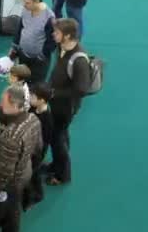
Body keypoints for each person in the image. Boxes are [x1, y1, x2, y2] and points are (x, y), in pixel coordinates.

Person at [0, 84, 41, 232]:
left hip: (8, 183)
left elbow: (4, 172)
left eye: (4, 101)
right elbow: (38, 148)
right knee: (14, 208)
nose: (0, 104)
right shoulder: (33, 118)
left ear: (16, 105)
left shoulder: (10, 137)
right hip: (25, 172)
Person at [46, 18, 91, 186]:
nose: (53, 34)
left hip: (65, 107)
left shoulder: (79, 61)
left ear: (67, 36)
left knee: (58, 139)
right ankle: (56, 165)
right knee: (60, 136)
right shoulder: (62, 47)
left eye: (57, 33)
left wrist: (54, 93)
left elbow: (81, 90)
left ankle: (63, 174)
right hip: (56, 103)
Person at [9, 0, 56, 83]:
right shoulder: (26, 10)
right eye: (24, 2)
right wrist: (14, 46)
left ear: (37, 1)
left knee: (35, 87)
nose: (24, 5)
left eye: (27, 3)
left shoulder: (49, 17)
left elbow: (52, 41)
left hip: (39, 61)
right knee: (21, 82)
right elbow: (20, 28)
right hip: (23, 55)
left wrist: (42, 55)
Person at [23, 82, 53, 209]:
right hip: (28, 147)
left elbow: (44, 141)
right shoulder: (33, 108)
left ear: (41, 100)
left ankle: (36, 196)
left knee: (32, 175)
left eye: (32, 96)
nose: (29, 98)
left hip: (35, 153)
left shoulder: (46, 120)